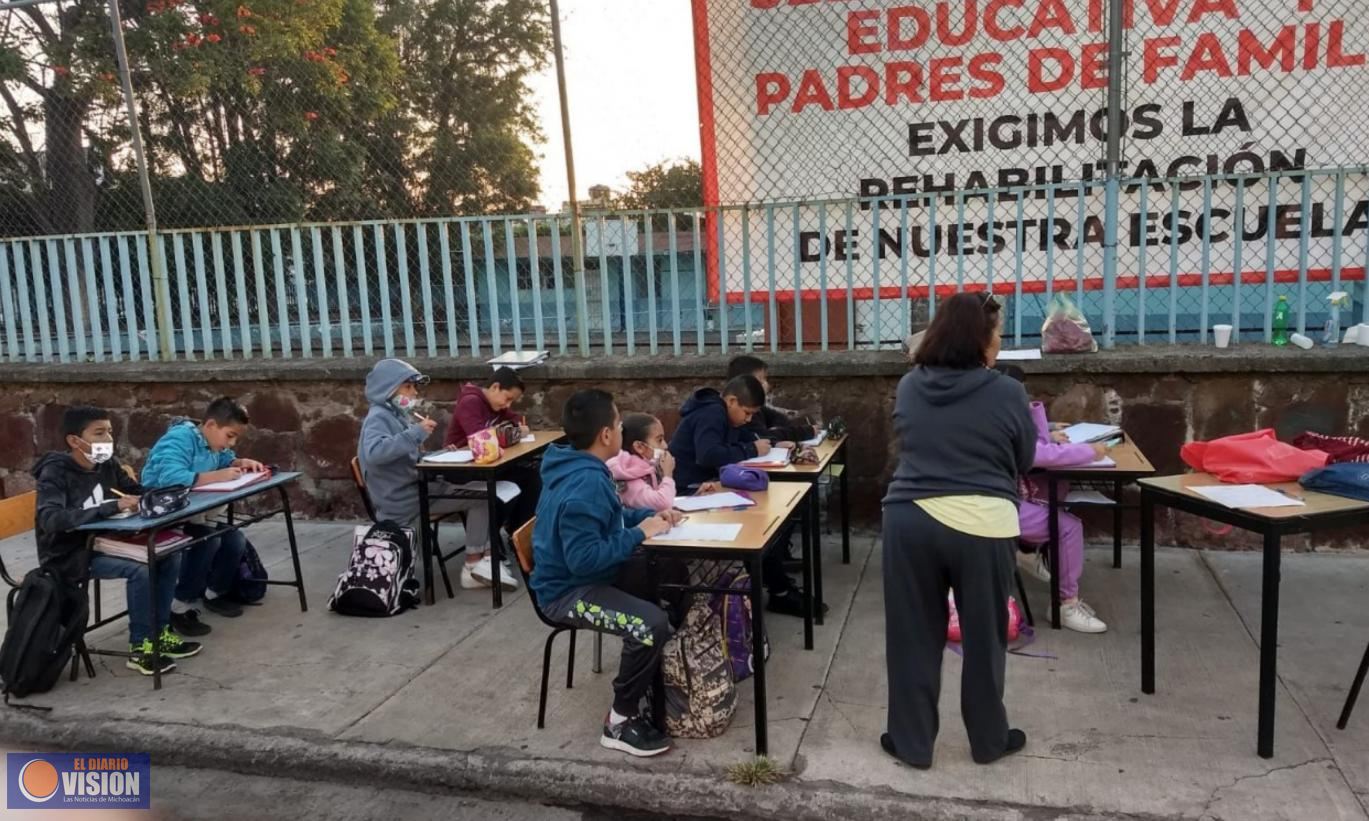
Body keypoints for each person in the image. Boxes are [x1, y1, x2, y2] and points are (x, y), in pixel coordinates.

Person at [881, 291, 1037, 769]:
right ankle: (989, 740)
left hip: (910, 519)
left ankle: (912, 743)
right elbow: (1024, 459)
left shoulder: (910, 385)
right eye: (997, 335)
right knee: (984, 638)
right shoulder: (1008, 391)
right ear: (979, 339)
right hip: (982, 525)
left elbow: (907, 440)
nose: (999, 344)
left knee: (912, 636)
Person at [531, 389, 681, 758]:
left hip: (586, 577)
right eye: (617, 424)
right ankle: (620, 721)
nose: (620, 430)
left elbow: (608, 518)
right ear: (605, 435)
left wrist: (647, 519)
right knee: (649, 624)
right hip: (567, 594)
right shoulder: (586, 482)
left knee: (667, 573)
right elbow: (584, 560)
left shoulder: (582, 467)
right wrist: (639, 533)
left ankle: (658, 680)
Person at [34, 406, 201, 676]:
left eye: (110, 432)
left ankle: (160, 633)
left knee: (170, 554)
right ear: (74, 440)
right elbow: (51, 520)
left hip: (108, 541)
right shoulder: (54, 472)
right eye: (99, 433)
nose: (107, 439)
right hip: (71, 554)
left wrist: (164, 495)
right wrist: (110, 507)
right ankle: (141, 647)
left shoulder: (107, 464)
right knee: (142, 568)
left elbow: (135, 491)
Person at [357, 359, 512, 591]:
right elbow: (375, 454)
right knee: (482, 498)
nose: (414, 392)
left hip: (416, 488)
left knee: (484, 491)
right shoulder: (379, 417)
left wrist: (439, 454)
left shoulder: (396, 415)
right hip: (404, 498)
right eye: (408, 387)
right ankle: (474, 565)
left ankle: (486, 560)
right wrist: (414, 435)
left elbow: (408, 457)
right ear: (388, 389)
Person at [668, 375, 812, 617]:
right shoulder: (712, 413)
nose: (748, 420)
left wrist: (775, 443)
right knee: (756, 524)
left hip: (708, 487)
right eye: (746, 413)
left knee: (767, 517)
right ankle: (779, 592)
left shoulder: (726, 416)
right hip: (687, 492)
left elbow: (745, 438)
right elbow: (708, 454)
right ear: (732, 401)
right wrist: (751, 449)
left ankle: (777, 587)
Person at [997, 366, 1110, 634]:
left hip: (990, 498)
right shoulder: (1001, 417)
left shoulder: (979, 410)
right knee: (1067, 526)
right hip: (997, 503)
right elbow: (1037, 454)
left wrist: (1045, 427)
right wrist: (1089, 452)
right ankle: (1065, 604)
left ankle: (1025, 553)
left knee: (1056, 501)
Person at [141, 397, 265, 636]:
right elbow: (171, 478)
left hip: (195, 512)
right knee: (208, 541)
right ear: (210, 425)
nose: (232, 442)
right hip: (164, 514)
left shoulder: (212, 442)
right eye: (230, 436)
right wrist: (217, 476)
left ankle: (213, 593)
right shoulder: (179, 439)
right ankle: (179, 606)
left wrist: (241, 462)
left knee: (234, 539)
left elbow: (224, 459)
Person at [443, 366, 541, 564]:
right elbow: (482, 440)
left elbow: (513, 422)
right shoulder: (471, 402)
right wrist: (506, 433)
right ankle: (491, 536)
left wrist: (513, 429)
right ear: (495, 387)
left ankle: (518, 532)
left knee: (531, 476)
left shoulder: (497, 406)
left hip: (488, 464)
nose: (508, 405)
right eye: (508, 398)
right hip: (462, 470)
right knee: (507, 485)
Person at [607, 413, 721, 512]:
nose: (665, 446)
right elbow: (662, 504)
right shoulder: (627, 476)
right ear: (639, 447)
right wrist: (668, 475)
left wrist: (696, 496)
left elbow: (664, 500)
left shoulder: (648, 468)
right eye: (659, 440)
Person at [725, 355, 818, 443]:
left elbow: (780, 419)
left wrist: (776, 429)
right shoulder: (742, 412)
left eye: (765, 379)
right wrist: (805, 432)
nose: (766, 385)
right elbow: (762, 437)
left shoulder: (757, 409)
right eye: (761, 381)